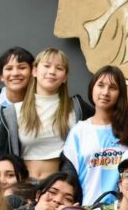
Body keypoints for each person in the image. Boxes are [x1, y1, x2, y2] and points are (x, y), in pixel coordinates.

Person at [63, 66, 128, 207]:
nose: (105, 92)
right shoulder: (79, 131)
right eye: (100, 85)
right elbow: (69, 177)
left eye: (113, 88)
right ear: (92, 88)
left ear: (120, 93)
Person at [14, 49, 83, 180]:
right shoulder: (13, 111)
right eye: (46, 66)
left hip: (59, 188)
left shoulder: (76, 108)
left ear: (65, 77)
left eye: (59, 68)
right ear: (34, 71)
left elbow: (102, 117)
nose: (52, 72)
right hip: (23, 186)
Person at [2, 171, 80, 210]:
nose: (58, 200)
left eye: (68, 199)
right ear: (38, 195)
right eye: (52, 192)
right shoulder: (15, 202)